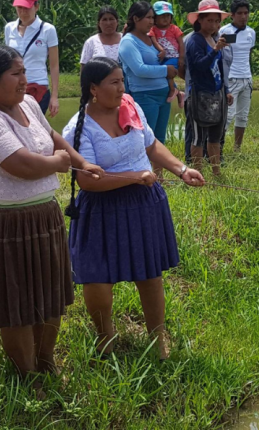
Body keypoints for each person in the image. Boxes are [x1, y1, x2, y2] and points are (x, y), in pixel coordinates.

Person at [0, 44, 104, 377]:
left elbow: (52, 137)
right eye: (15, 74)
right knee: (15, 304)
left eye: (24, 72)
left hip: (42, 217)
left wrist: (82, 163)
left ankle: (46, 361)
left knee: (49, 296)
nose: (24, 81)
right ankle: (27, 372)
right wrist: (59, 165)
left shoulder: (30, 103)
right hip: (1, 223)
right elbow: (19, 164)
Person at [61, 57, 205, 360]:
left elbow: (151, 146)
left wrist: (181, 169)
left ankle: (157, 337)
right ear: (93, 89)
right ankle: (105, 337)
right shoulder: (78, 128)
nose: (121, 88)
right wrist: (134, 177)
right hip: (101, 207)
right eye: (114, 82)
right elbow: (87, 181)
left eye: (122, 81)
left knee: (149, 274)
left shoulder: (131, 107)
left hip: (143, 202)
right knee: (97, 276)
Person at [185, 0, 233, 176]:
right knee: (198, 137)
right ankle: (197, 173)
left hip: (217, 93)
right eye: (209, 20)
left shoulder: (214, 38)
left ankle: (216, 172)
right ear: (200, 21)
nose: (213, 24)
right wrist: (214, 50)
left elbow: (220, 68)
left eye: (217, 21)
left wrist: (226, 90)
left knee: (215, 136)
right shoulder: (195, 41)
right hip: (199, 94)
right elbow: (198, 66)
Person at [119, 1, 178, 148]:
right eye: (148, 18)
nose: (152, 22)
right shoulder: (128, 42)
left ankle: (158, 172)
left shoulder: (151, 39)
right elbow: (139, 69)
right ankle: (144, 171)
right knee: (145, 141)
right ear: (135, 19)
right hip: (145, 96)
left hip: (163, 95)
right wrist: (166, 70)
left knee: (160, 140)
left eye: (153, 18)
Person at [4, 0, 60, 116]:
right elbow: (6, 62)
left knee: (34, 130)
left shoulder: (48, 30)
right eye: (19, 8)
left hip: (38, 88)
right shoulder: (9, 28)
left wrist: (55, 97)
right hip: (14, 89)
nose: (23, 12)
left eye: (27, 8)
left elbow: (54, 65)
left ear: (36, 7)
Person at [219, 0, 256, 153]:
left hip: (247, 79)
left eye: (246, 13)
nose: (243, 16)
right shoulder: (224, 31)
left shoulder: (251, 32)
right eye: (240, 13)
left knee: (243, 116)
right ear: (232, 15)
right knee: (228, 116)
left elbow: (249, 52)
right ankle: (217, 148)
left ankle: (237, 148)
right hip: (231, 78)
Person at [148, 1, 186, 108]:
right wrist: (162, 50)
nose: (165, 19)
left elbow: (181, 44)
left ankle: (173, 90)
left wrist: (182, 57)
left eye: (168, 16)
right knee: (161, 73)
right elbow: (154, 41)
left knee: (166, 73)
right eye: (162, 16)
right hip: (161, 57)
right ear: (155, 17)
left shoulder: (174, 28)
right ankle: (178, 93)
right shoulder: (153, 29)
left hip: (174, 56)